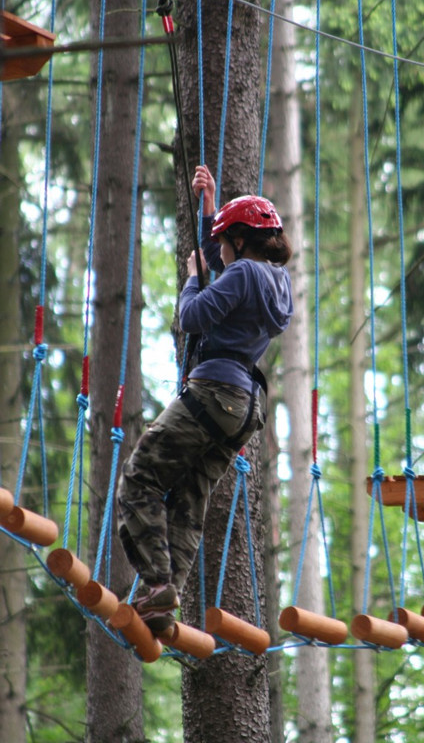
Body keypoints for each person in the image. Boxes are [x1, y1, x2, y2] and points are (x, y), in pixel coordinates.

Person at [116, 165, 293, 634]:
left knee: (139, 480)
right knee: (189, 500)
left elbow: (193, 316)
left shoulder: (240, 275)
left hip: (213, 393)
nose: (219, 251)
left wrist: (193, 277)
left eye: (225, 239)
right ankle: (162, 600)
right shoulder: (275, 282)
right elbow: (225, 263)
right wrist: (210, 207)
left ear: (239, 240)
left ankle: (156, 584)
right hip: (244, 411)